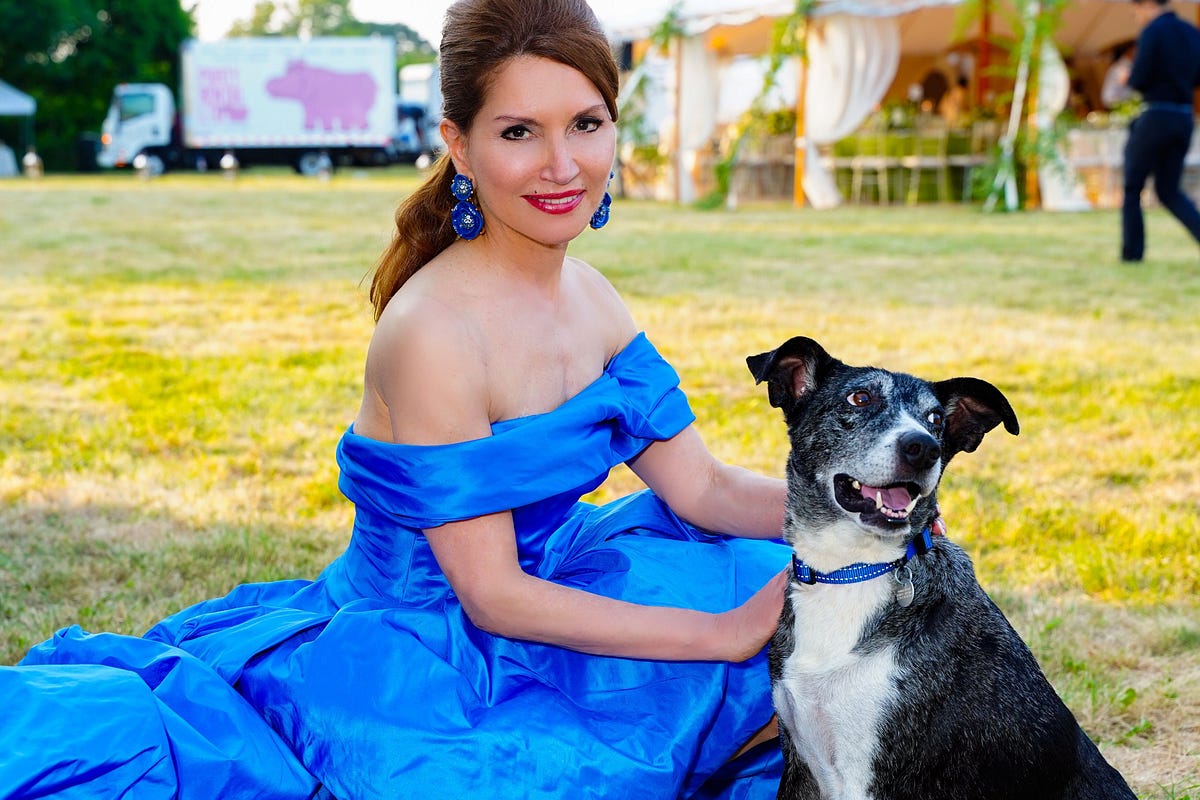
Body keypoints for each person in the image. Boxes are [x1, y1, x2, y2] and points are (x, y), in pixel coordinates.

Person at [0, 2, 799, 798]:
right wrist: (723, 634)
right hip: (421, 650)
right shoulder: (433, 332)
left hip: (561, 580)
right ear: (459, 144)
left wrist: (854, 510)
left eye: (585, 124)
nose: (562, 166)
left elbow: (703, 487)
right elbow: (493, 595)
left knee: (789, 583)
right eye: (519, 132)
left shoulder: (593, 297)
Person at [1121, 0, 1200, 262]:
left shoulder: (1152, 31)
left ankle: (1132, 254)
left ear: (1147, 5)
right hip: (1184, 116)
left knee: (1132, 186)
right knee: (1169, 190)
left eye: (1135, 10)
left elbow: (1139, 78)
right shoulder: (1191, 31)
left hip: (1156, 115)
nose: (1136, 16)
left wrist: (1127, 77)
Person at [1101, 42, 1136, 110]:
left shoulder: (1123, 66)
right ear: (1128, 51)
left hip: (1120, 104)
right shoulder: (1121, 68)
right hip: (1120, 105)